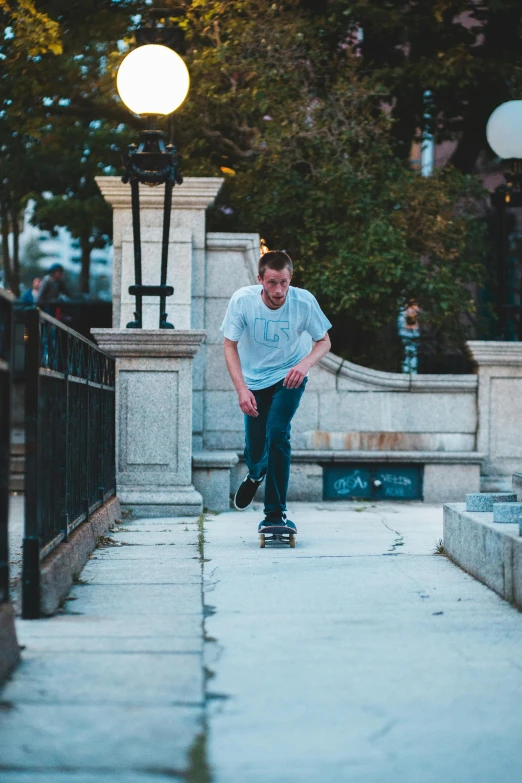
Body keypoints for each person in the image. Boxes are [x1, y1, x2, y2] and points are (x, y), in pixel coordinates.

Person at [221, 250, 332, 534]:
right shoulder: (243, 301)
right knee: (256, 448)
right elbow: (229, 346)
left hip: (289, 377)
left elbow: (324, 341)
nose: (278, 290)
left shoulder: (303, 301)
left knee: (278, 431)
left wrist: (304, 364)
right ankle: (256, 474)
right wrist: (242, 390)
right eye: (271, 283)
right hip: (254, 381)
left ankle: (275, 513)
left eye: (283, 282)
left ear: (290, 278)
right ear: (260, 279)